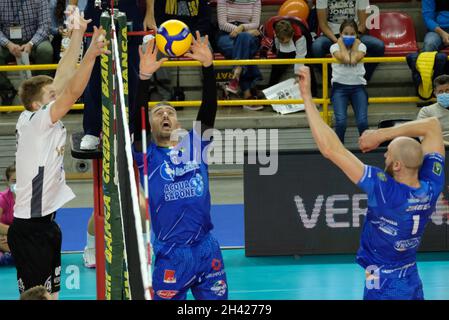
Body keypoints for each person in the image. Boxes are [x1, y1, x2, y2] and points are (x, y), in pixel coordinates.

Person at [298, 65, 445, 300]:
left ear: (397, 166)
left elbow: (330, 149)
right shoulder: (432, 183)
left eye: (388, 153)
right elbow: (433, 126)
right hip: (410, 276)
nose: (384, 156)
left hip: (385, 285)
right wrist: (385, 136)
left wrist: (306, 97)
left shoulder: (385, 189)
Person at [7, 12, 109, 299]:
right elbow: (72, 91)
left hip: (47, 226)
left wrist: (78, 33)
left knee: (52, 297)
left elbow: (64, 76)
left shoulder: (40, 117)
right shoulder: (37, 120)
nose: (58, 94)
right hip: (31, 230)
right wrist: (91, 54)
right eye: (52, 94)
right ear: (38, 103)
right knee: (38, 298)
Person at [132, 32, 228, 300]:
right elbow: (134, 121)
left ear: (177, 123)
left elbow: (208, 110)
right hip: (170, 254)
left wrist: (208, 68)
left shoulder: (195, 145)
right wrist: (143, 78)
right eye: (158, 112)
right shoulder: (145, 156)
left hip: (206, 249)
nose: (165, 114)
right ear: (149, 125)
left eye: (170, 112)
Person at [70, 0, 153, 150]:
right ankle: (92, 131)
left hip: (128, 10)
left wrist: (150, 13)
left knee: (132, 74)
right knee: (93, 73)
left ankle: (130, 128)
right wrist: (72, 11)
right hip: (96, 8)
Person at [312, 0, 384, 82]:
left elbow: (363, 23)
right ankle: (334, 80)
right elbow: (323, 24)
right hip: (331, 36)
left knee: (378, 46)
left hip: (355, 34)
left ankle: (361, 79)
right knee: (316, 47)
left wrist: (353, 38)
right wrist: (337, 41)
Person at [0, 0, 53, 106]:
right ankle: (6, 91)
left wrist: (31, 43)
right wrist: (7, 44)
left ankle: (41, 89)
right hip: (7, 42)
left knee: (46, 50)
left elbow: (45, 25)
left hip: (34, 40)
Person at [216, 0, 263, 111]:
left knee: (243, 40)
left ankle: (237, 73)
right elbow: (222, 24)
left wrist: (242, 29)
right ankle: (247, 94)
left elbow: (256, 24)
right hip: (227, 35)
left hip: (248, 35)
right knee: (244, 49)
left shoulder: (255, 0)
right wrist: (239, 31)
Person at [330, 19, 368, 143]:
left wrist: (356, 45)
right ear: (340, 34)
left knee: (362, 122)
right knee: (341, 122)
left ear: (357, 35)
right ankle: (338, 149)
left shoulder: (362, 46)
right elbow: (347, 59)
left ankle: (367, 146)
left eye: (352, 34)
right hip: (339, 88)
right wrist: (341, 43)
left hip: (358, 87)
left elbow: (353, 60)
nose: (349, 36)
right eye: (345, 33)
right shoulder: (334, 47)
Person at [267, 19, 307, 87]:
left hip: (302, 49)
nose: (283, 42)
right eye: (281, 41)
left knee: (309, 65)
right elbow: (278, 47)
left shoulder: (300, 36)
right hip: (285, 50)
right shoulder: (276, 32)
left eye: (286, 42)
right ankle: (271, 88)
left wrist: (298, 74)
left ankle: (313, 92)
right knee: (276, 65)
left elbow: (300, 56)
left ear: (292, 35)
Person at [417, 74, 449, 144]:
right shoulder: (426, 111)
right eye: (440, 91)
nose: (444, 94)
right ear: (435, 93)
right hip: (437, 150)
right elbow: (424, 137)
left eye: (447, 90)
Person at [0, 164, 15, 266]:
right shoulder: (2, 198)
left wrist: (13, 236)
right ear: (7, 182)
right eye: (14, 181)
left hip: (18, 237)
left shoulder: (30, 199)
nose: (18, 184)